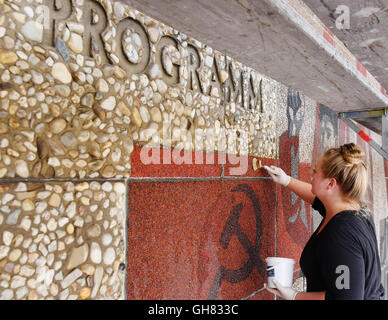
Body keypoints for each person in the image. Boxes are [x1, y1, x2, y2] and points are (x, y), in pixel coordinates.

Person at [263, 143, 385, 300]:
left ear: (331, 184)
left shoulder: (342, 235)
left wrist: (294, 296)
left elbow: (346, 298)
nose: (311, 174)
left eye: (315, 172)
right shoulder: (352, 207)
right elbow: (317, 199)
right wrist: (287, 180)